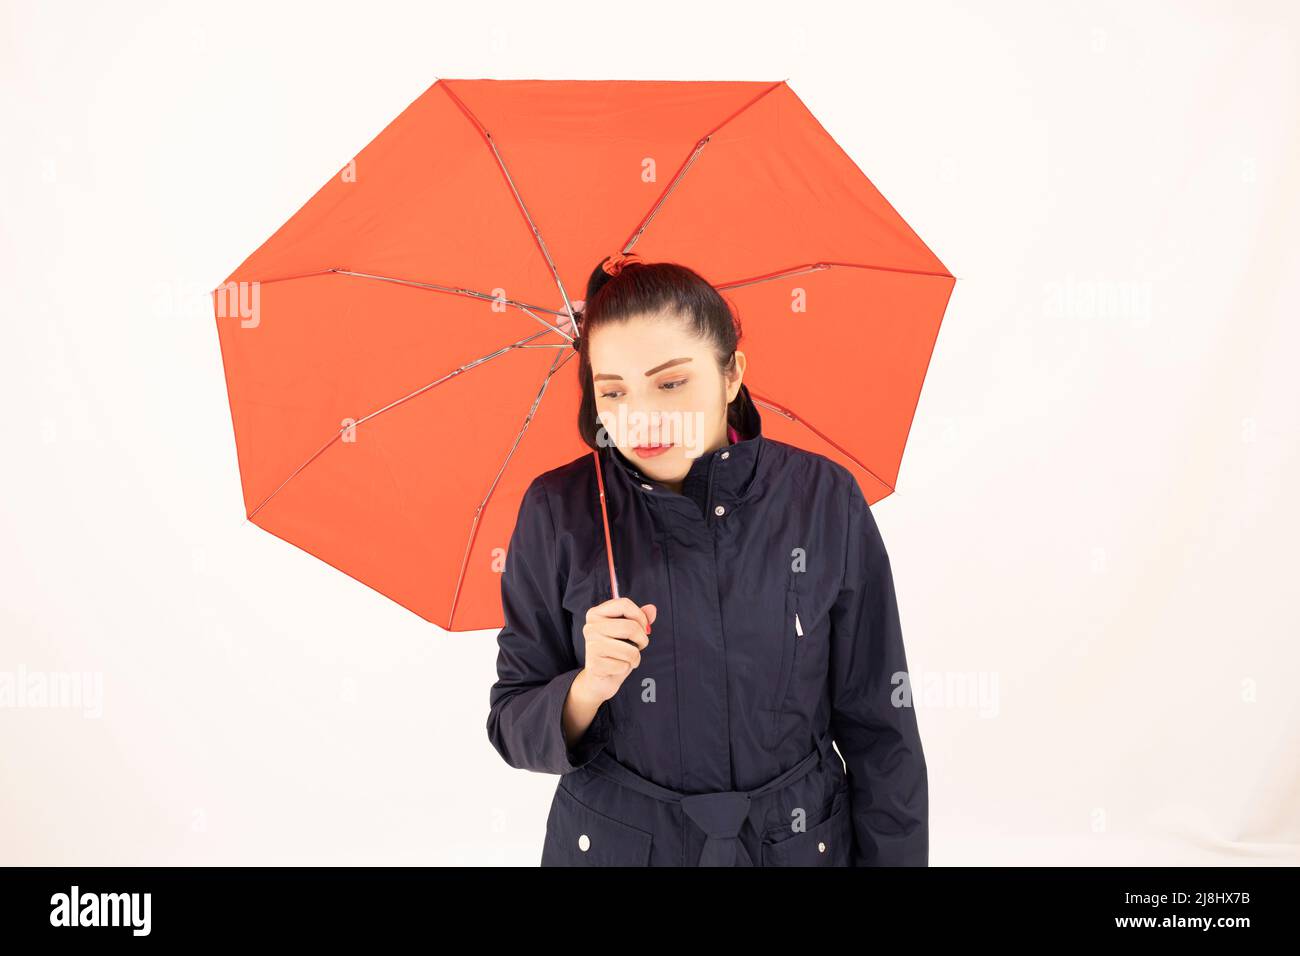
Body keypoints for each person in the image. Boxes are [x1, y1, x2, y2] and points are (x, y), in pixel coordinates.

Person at [486, 253, 928, 866]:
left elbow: (882, 731)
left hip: (796, 847)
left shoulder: (822, 500)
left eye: (670, 382)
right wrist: (585, 690)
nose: (640, 415)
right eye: (613, 390)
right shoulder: (558, 511)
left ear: (731, 375)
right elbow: (512, 722)